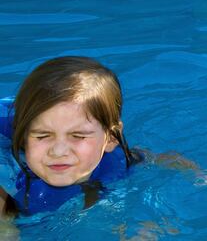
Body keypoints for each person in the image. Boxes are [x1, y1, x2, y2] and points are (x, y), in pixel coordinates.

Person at [0, 56, 141, 215]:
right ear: (23, 136)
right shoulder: (9, 174)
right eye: (42, 136)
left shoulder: (121, 159)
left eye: (78, 136)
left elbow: (148, 158)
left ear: (111, 138)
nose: (59, 151)